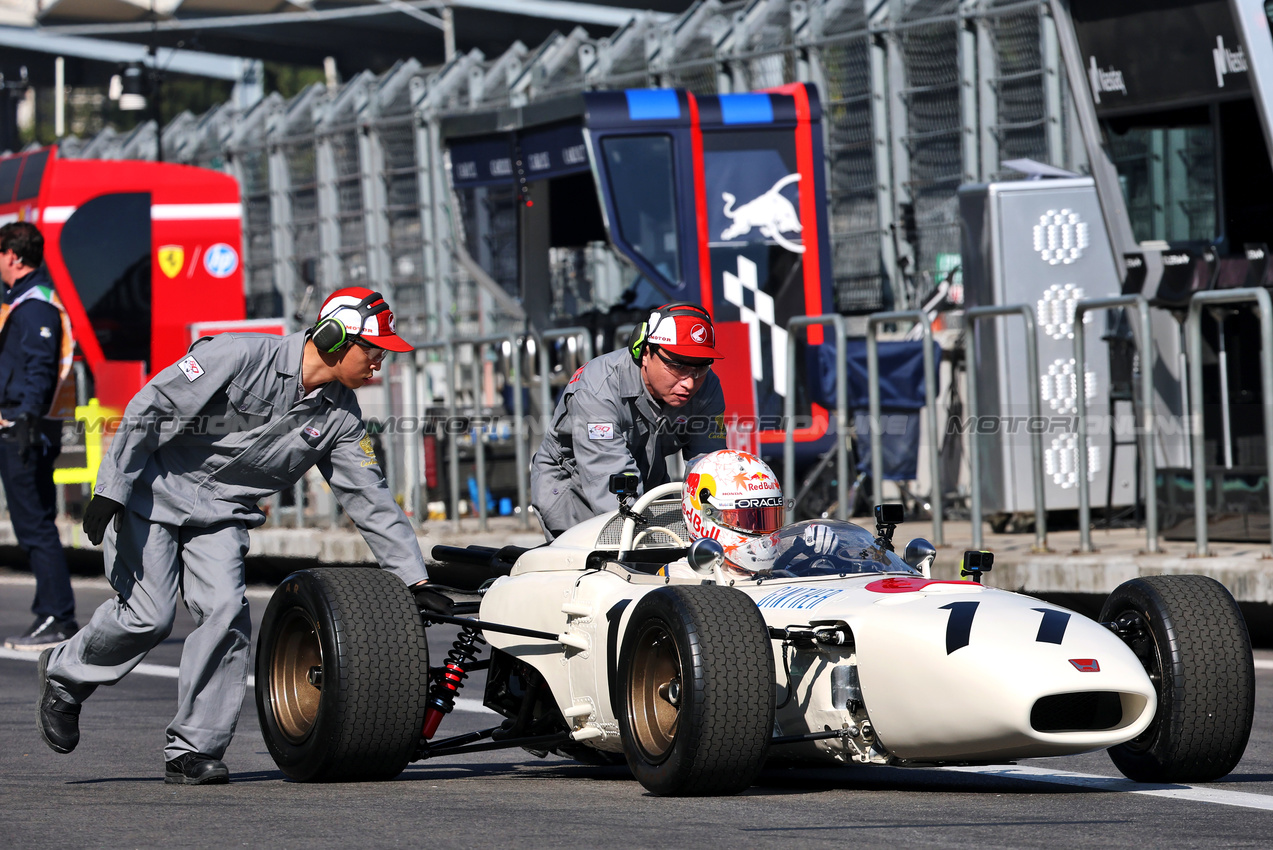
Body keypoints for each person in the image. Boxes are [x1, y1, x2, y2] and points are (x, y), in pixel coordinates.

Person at [37, 286, 435, 785]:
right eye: (373, 350)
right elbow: (152, 406)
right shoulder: (239, 354)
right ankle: (64, 674)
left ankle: (192, 748)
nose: (379, 362)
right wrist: (112, 488)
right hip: (152, 496)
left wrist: (413, 582)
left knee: (226, 613)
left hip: (221, 516)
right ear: (334, 339)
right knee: (147, 617)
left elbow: (371, 501)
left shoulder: (341, 419)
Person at [530, 303, 727, 540]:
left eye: (700, 367)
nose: (689, 382)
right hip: (575, 489)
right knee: (600, 566)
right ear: (645, 353)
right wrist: (651, 538)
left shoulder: (707, 386)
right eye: (677, 365)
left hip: (646, 481)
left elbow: (709, 465)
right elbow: (610, 482)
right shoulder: (597, 388)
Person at [0, 221, 77, 651]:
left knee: (35, 528)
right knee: (35, 525)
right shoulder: (23, 302)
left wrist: (25, 417)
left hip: (25, 429)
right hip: (23, 426)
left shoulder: (35, 306)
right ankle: (51, 612)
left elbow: (39, 367)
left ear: (13, 254)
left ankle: (57, 617)